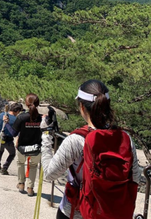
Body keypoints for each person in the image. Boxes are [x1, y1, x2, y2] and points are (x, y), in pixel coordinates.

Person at [40, 79, 141, 219]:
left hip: (77, 212)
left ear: (82, 106)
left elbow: (50, 174)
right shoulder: (125, 138)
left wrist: (45, 136)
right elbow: (135, 177)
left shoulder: (76, 140)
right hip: (115, 211)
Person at [4, 93, 42, 196]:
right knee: (33, 166)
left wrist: (7, 123)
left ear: (26, 103)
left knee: (21, 164)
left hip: (22, 147)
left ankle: (21, 184)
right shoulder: (40, 118)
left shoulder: (22, 117)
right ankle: (30, 188)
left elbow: (14, 133)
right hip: (36, 147)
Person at [0, 102, 23, 175]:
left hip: (0, 137)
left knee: (0, 151)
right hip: (8, 140)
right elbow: (18, 133)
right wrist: (17, 142)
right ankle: (4, 168)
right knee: (12, 153)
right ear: (17, 111)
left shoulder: (2, 115)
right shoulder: (16, 120)